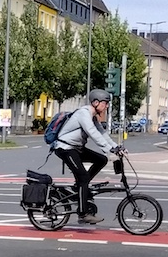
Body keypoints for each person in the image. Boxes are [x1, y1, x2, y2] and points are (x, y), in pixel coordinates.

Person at [52, 89, 124, 225]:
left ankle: (78, 187)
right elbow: (91, 132)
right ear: (96, 102)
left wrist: (116, 147)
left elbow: (101, 133)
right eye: (105, 103)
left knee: (101, 159)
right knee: (84, 178)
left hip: (76, 148)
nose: (107, 106)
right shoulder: (83, 114)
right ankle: (83, 214)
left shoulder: (93, 116)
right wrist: (109, 149)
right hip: (65, 149)